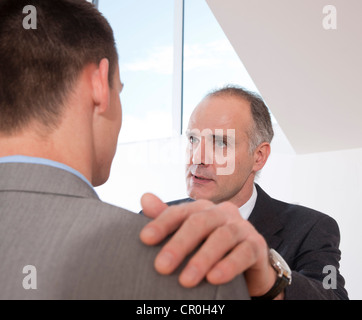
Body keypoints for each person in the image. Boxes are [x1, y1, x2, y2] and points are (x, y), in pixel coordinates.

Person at [0, 0, 250, 300]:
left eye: (220, 142)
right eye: (119, 89)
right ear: (98, 86)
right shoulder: (194, 269)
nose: (200, 157)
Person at [139, 86, 349, 300]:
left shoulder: (311, 228)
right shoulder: (155, 221)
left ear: (258, 156)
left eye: (220, 143)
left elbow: (333, 296)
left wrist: (271, 282)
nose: (198, 157)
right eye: (193, 139)